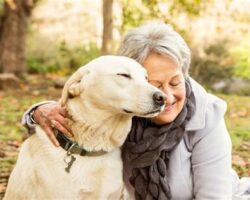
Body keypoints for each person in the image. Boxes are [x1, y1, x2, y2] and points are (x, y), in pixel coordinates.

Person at [22, 22, 250, 200]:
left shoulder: (206, 115)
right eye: (155, 84)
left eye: (175, 82)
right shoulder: (119, 112)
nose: (165, 97)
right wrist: (37, 111)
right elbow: (82, 104)